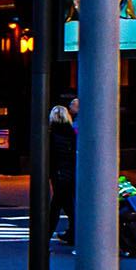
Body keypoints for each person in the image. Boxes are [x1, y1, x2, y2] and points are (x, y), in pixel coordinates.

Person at [48, 103, 78, 245]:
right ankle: (72, 233)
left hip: (58, 174)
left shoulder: (51, 134)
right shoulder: (71, 132)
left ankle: (46, 234)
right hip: (70, 172)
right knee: (66, 205)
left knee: (58, 206)